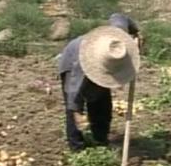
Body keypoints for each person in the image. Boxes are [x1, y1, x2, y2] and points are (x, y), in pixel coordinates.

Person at [58, 13, 141, 151]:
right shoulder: (82, 60)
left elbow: (119, 17)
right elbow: (74, 89)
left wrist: (137, 32)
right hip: (72, 62)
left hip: (102, 63)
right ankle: (76, 146)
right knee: (74, 108)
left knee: (102, 104)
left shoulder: (117, 38)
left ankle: (100, 140)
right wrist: (77, 112)